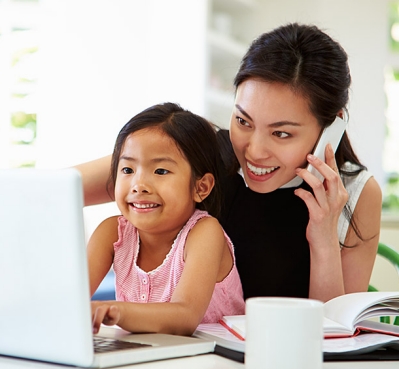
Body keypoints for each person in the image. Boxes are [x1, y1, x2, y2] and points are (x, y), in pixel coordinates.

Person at [76, 23, 382, 304]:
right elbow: (52, 191)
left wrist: (324, 237)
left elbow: (333, 335)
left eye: (281, 133)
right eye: (243, 121)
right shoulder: (198, 153)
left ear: (332, 128)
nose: (254, 151)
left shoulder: (357, 193)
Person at [88, 102, 245, 336]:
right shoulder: (112, 232)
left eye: (160, 171)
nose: (139, 185)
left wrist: (117, 311)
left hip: (215, 363)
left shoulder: (204, 232)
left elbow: (184, 317)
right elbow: (67, 300)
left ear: (201, 187)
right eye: (128, 170)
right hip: (147, 358)